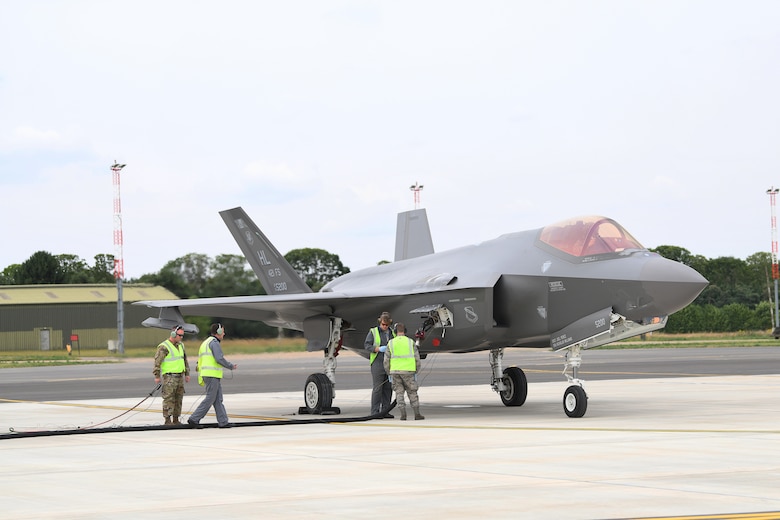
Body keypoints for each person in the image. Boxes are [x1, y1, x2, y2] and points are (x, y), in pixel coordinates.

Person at [187, 323, 238, 428]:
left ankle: (223, 422)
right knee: (210, 398)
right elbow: (219, 358)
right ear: (218, 332)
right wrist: (230, 366)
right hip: (211, 375)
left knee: (218, 399)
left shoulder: (206, 342)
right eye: (223, 331)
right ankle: (194, 419)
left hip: (209, 374)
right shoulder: (214, 343)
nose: (224, 334)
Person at [383, 322, 424, 420]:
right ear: (405, 331)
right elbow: (417, 358)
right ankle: (417, 414)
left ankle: (403, 414)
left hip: (395, 371)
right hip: (409, 371)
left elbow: (386, 360)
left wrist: (389, 372)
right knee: (412, 392)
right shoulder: (410, 342)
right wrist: (416, 370)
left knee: (399, 392)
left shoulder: (391, 343)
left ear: (395, 331)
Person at [153, 325, 190, 425]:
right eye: (179, 335)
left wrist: (187, 373)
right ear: (173, 334)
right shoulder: (164, 346)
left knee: (179, 398)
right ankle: (167, 420)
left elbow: (184, 360)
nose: (181, 337)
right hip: (170, 377)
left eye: (182, 335)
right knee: (168, 398)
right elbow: (157, 362)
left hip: (180, 376)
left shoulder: (181, 345)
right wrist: (157, 375)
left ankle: (176, 419)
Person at [364, 311, 395, 418]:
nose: (385, 326)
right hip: (377, 362)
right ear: (380, 322)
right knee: (377, 388)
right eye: (383, 324)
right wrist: (377, 349)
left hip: (389, 363)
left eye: (387, 325)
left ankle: (385, 411)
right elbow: (367, 345)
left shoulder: (392, 333)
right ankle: (375, 412)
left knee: (388, 388)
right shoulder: (373, 332)